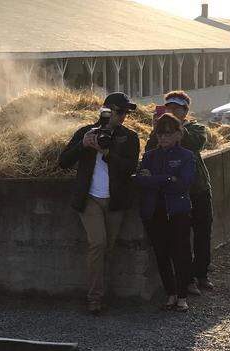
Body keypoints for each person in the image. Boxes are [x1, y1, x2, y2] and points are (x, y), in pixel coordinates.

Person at [57, 92, 141, 314]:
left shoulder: (129, 137)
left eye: (126, 112)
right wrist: (83, 145)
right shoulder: (86, 132)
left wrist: (107, 153)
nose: (124, 116)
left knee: (108, 250)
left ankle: (103, 294)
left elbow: (130, 168)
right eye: (120, 112)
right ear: (106, 111)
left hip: (115, 201)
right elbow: (63, 162)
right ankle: (94, 299)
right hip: (89, 199)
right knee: (98, 244)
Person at [146, 91, 213, 295]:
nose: (172, 112)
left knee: (203, 234)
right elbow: (149, 152)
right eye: (169, 108)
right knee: (181, 240)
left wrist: (177, 129)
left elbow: (196, 144)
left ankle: (202, 274)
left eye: (177, 108)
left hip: (198, 189)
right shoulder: (159, 131)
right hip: (175, 194)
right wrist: (158, 130)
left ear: (186, 111)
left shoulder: (196, 128)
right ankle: (187, 279)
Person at [136, 114, 196, 312]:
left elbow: (183, 185)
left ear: (178, 134)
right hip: (155, 212)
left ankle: (182, 295)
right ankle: (170, 293)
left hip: (178, 212)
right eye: (160, 134)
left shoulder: (186, 156)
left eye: (168, 134)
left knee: (180, 253)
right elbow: (141, 181)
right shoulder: (150, 155)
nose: (163, 138)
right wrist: (167, 179)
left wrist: (156, 179)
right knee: (161, 254)